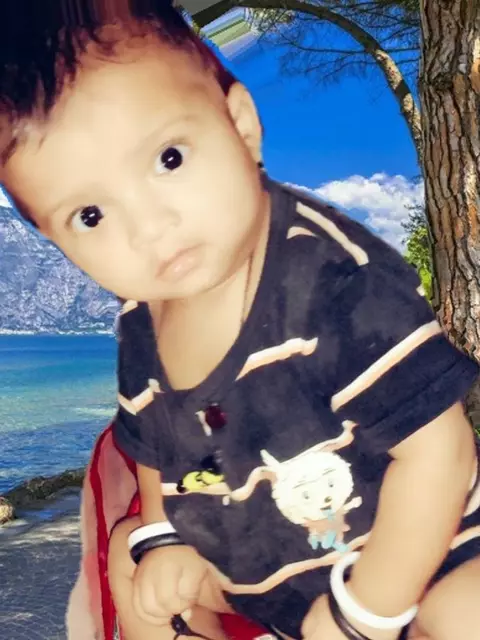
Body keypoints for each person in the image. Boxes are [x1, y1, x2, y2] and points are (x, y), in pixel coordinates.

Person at [1, 3, 479, 640]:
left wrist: (363, 615)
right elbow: (154, 451)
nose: (150, 227)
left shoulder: (333, 285)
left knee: (465, 611)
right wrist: (165, 537)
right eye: (90, 215)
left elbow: (439, 455)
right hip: (269, 575)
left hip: (422, 553)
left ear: (241, 126)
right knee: (136, 566)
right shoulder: (141, 327)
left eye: (169, 158)